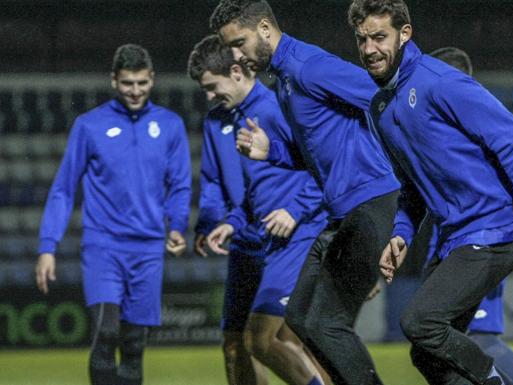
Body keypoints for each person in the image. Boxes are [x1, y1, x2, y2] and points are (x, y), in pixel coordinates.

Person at [348, 1, 513, 385]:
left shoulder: (439, 81)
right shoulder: (380, 107)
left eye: (379, 37)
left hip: (494, 229)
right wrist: (401, 233)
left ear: (404, 34)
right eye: (362, 39)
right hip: (456, 238)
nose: (369, 48)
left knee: (419, 322)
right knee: (426, 353)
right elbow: (412, 186)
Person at [210, 1, 401, 384]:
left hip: (369, 200)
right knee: (301, 320)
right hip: (343, 209)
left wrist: (406, 162)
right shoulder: (282, 80)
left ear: (265, 28)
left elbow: (382, 95)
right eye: (229, 47)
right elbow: (316, 150)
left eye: (239, 42)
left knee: (326, 324)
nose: (236, 55)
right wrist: (273, 151)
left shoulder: (306, 66)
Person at [35, 44, 191, 385]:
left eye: (141, 83)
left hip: (148, 249)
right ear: (113, 81)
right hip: (103, 246)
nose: (134, 91)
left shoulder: (170, 125)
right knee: (106, 332)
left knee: (134, 344)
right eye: (126, 83)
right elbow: (63, 188)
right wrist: (48, 246)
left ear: (152, 79)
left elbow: (180, 184)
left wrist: (177, 226)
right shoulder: (89, 126)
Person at [188, 35, 329, 385]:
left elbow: (326, 167)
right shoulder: (223, 120)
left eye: (211, 86)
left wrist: (295, 210)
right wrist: (228, 223)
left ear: (236, 71)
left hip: (297, 237)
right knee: (241, 342)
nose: (208, 97)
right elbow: (248, 190)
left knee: (280, 339)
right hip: (254, 239)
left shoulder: (276, 107)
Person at [430, 46, 513, 385]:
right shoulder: (441, 130)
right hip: (452, 246)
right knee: (442, 347)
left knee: (476, 341)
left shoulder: (479, 129)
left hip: (480, 245)